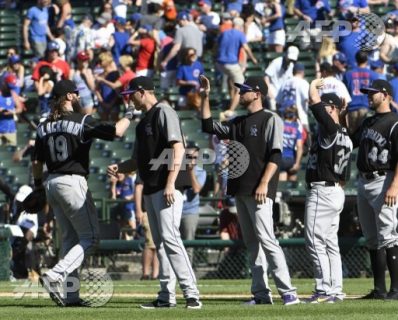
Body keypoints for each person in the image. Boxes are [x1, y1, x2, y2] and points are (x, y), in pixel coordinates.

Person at [200, 75, 300, 305]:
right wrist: (205, 97)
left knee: (267, 239)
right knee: (252, 244)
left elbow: (276, 155)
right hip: (241, 189)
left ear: (257, 93)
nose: (239, 93)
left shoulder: (270, 119)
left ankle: (288, 292)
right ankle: (261, 294)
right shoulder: (237, 122)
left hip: (260, 189)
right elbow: (208, 126)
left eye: (244, 90)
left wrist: (265, 183)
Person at [32, 79, 133, 307]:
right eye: (75, 93)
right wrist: (130, 114)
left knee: (70, 240)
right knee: (91, 238)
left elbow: (36, 161)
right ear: (68, 96)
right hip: (72, 182)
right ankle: (55, 274)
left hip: (51, 183)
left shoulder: (44, 124)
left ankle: (71, 295)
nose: (77, 96)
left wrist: (39, 185)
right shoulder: (80, 120)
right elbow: (117, 131)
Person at [107, 76, 202, 309]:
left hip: (167, 186)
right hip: (151, 186)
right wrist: (121, 168)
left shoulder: (164, 111)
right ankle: (166, 296)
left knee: (171, 239)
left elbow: (178, 148)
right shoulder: (142, 123)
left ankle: (192, 294)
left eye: (131, 94)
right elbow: (136, 161)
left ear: (142, 91)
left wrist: (170, 183)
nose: (129, 99)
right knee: (159, 244)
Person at [304, 79, 353, 303]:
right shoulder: (346, 135)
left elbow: (313, 99)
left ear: (332, 108)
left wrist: (314, 83)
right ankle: (336, 289)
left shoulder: (331, 129)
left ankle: (323, 289)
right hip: (336, 190)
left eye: (325, 107)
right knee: (330, 243)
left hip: (323, 190)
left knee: (314, 240)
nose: (320, 109)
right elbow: (345, 176)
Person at [352, 79, 398, 300]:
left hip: (384, 180)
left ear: (386, 95)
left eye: (373, 93)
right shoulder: (368, 122)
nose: (369, 96)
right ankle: (379, 289)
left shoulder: (394, 122)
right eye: (368, 92)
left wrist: (394, 185)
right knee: (372, 238)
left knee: (388, 235)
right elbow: (350, 141)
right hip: (363, 181)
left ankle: (396, 290)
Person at [179, 141, 207, 262]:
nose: (192, 160)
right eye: (188, 157)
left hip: (189, 212)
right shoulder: (176, 170)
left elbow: (196, 189)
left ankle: (188, 272)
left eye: (195, 157)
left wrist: (190, 172)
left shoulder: (201, 172)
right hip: (175, 210)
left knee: (188, 244)